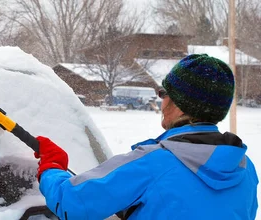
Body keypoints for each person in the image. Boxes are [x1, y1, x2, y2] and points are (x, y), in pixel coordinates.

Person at [35, 54, 258, 219]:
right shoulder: (245, 168)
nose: (161, 102)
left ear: (181, 106)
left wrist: (52, 167)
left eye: (164, 93)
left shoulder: (153, 164)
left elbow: (72, 203)